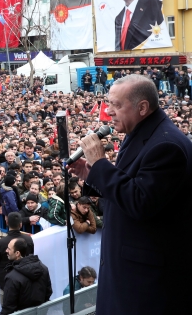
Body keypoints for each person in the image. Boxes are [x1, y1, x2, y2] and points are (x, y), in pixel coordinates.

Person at [81, 74, 192, 314]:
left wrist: (101, 164)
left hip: (146, 286)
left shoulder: (166, 146)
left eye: (116, 105)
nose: (108, 111)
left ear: (142, 107)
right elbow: (128, 186)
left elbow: (140, 201)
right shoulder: (142, 133)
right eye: (108, 103)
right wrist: (91, 173)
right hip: (128, 276)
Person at [0, 212, 34, 305]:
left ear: (7, 223)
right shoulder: (28, 239)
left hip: (7, 284)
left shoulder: (1, 243)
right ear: (20, 224)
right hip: (24, 283)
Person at [0, 238, 52, 315]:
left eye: (9, 249)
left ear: (17, 253)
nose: (6, 251)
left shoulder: (12, 278)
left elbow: (8, 308)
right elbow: (48, 293)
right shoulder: (44, 268)